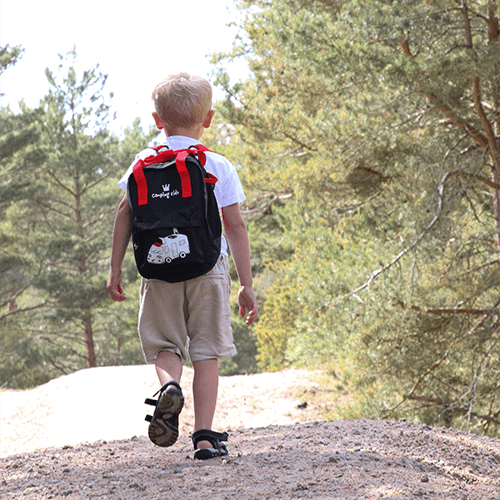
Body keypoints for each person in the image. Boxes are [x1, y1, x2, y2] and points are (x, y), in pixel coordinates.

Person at [106, 72, 258, 460]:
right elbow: (235, 226)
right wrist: (245, 284)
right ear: (208, 119)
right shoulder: (216, 164)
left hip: (158, 270)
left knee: (165, 344)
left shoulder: (143, 163)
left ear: (158, 120)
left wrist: (114, 269)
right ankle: (205, 439)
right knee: (206, 352)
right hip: (209, 270)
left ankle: (168, 386)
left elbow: (124, 215)